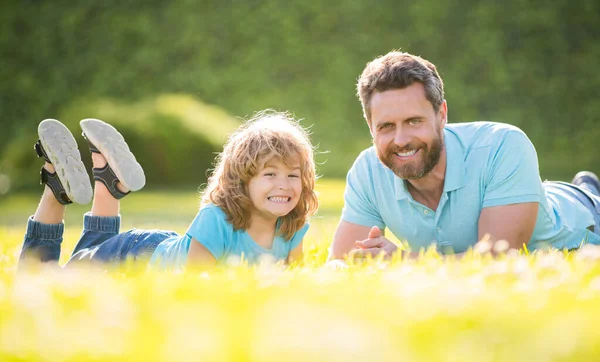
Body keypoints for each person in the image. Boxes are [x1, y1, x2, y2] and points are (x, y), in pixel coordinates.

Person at [329, 50, 600, 261]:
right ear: (370, 127)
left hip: (587, 216)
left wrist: (401, 261)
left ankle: (587, 188)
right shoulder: (367, 170)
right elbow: (341, 261)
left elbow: (499, 258)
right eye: (386, 126)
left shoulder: (503, 145)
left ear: (442, 114)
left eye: (414, 121)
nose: (400, 140)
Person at [19, 111, 318, 271]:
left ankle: (106, 175)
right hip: (134, 256)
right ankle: (56, 182)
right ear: (242, 181)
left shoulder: (292, 228)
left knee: (84, 260)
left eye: (294, 175)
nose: (284, 184)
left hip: (167, 248)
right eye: (270, 174)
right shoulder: (217, 220)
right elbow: (193, 282)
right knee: (38, 280)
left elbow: (292, 280)